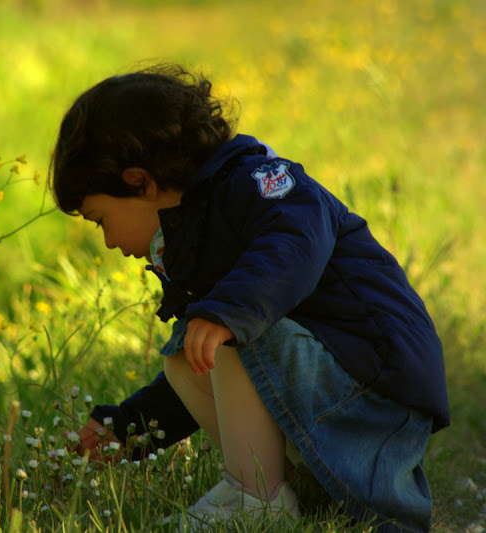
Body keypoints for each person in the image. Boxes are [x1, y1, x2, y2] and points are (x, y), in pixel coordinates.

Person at [48, 64, 449, 532]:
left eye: (100, 219)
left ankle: (254, 499)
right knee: (191, 352)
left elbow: (297, 238)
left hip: (376, 386)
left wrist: (225, 313)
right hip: (332, 390)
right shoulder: (197, 232)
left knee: (221, 335)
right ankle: (281, 492)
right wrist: (125, 431)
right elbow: (221, 376)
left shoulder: (258, 181)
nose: (109, 241)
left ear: (140, 181)